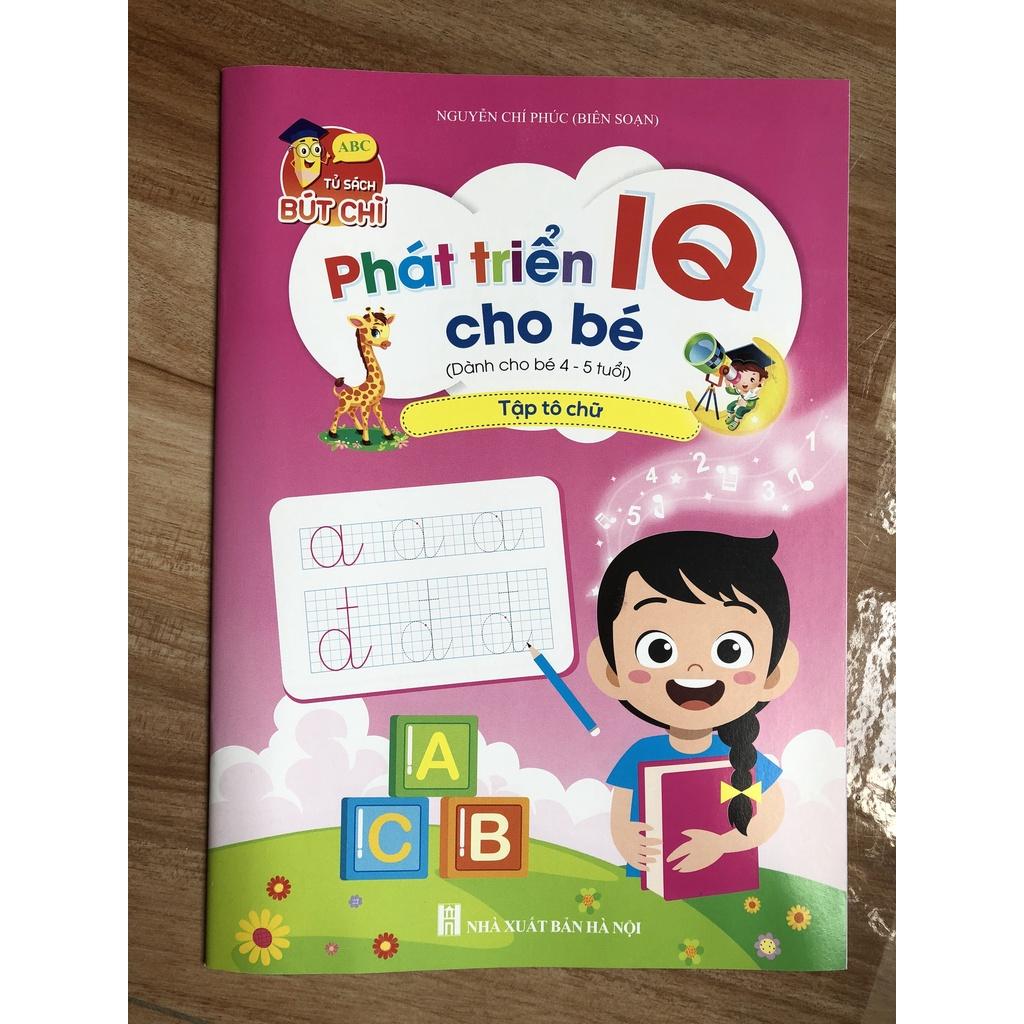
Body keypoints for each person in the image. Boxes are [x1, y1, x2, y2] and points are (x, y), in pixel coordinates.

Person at [586, 530, 798, 878]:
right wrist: (627, 842)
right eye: (657, 649)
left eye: (731, 650)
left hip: (726, 886)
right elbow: (621, 817)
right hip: (651, 878)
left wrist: (720, 845)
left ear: (773, 674)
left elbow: (771, 816)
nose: (695, 670)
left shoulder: (745, 757)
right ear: (611, 672)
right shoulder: (641, 754)